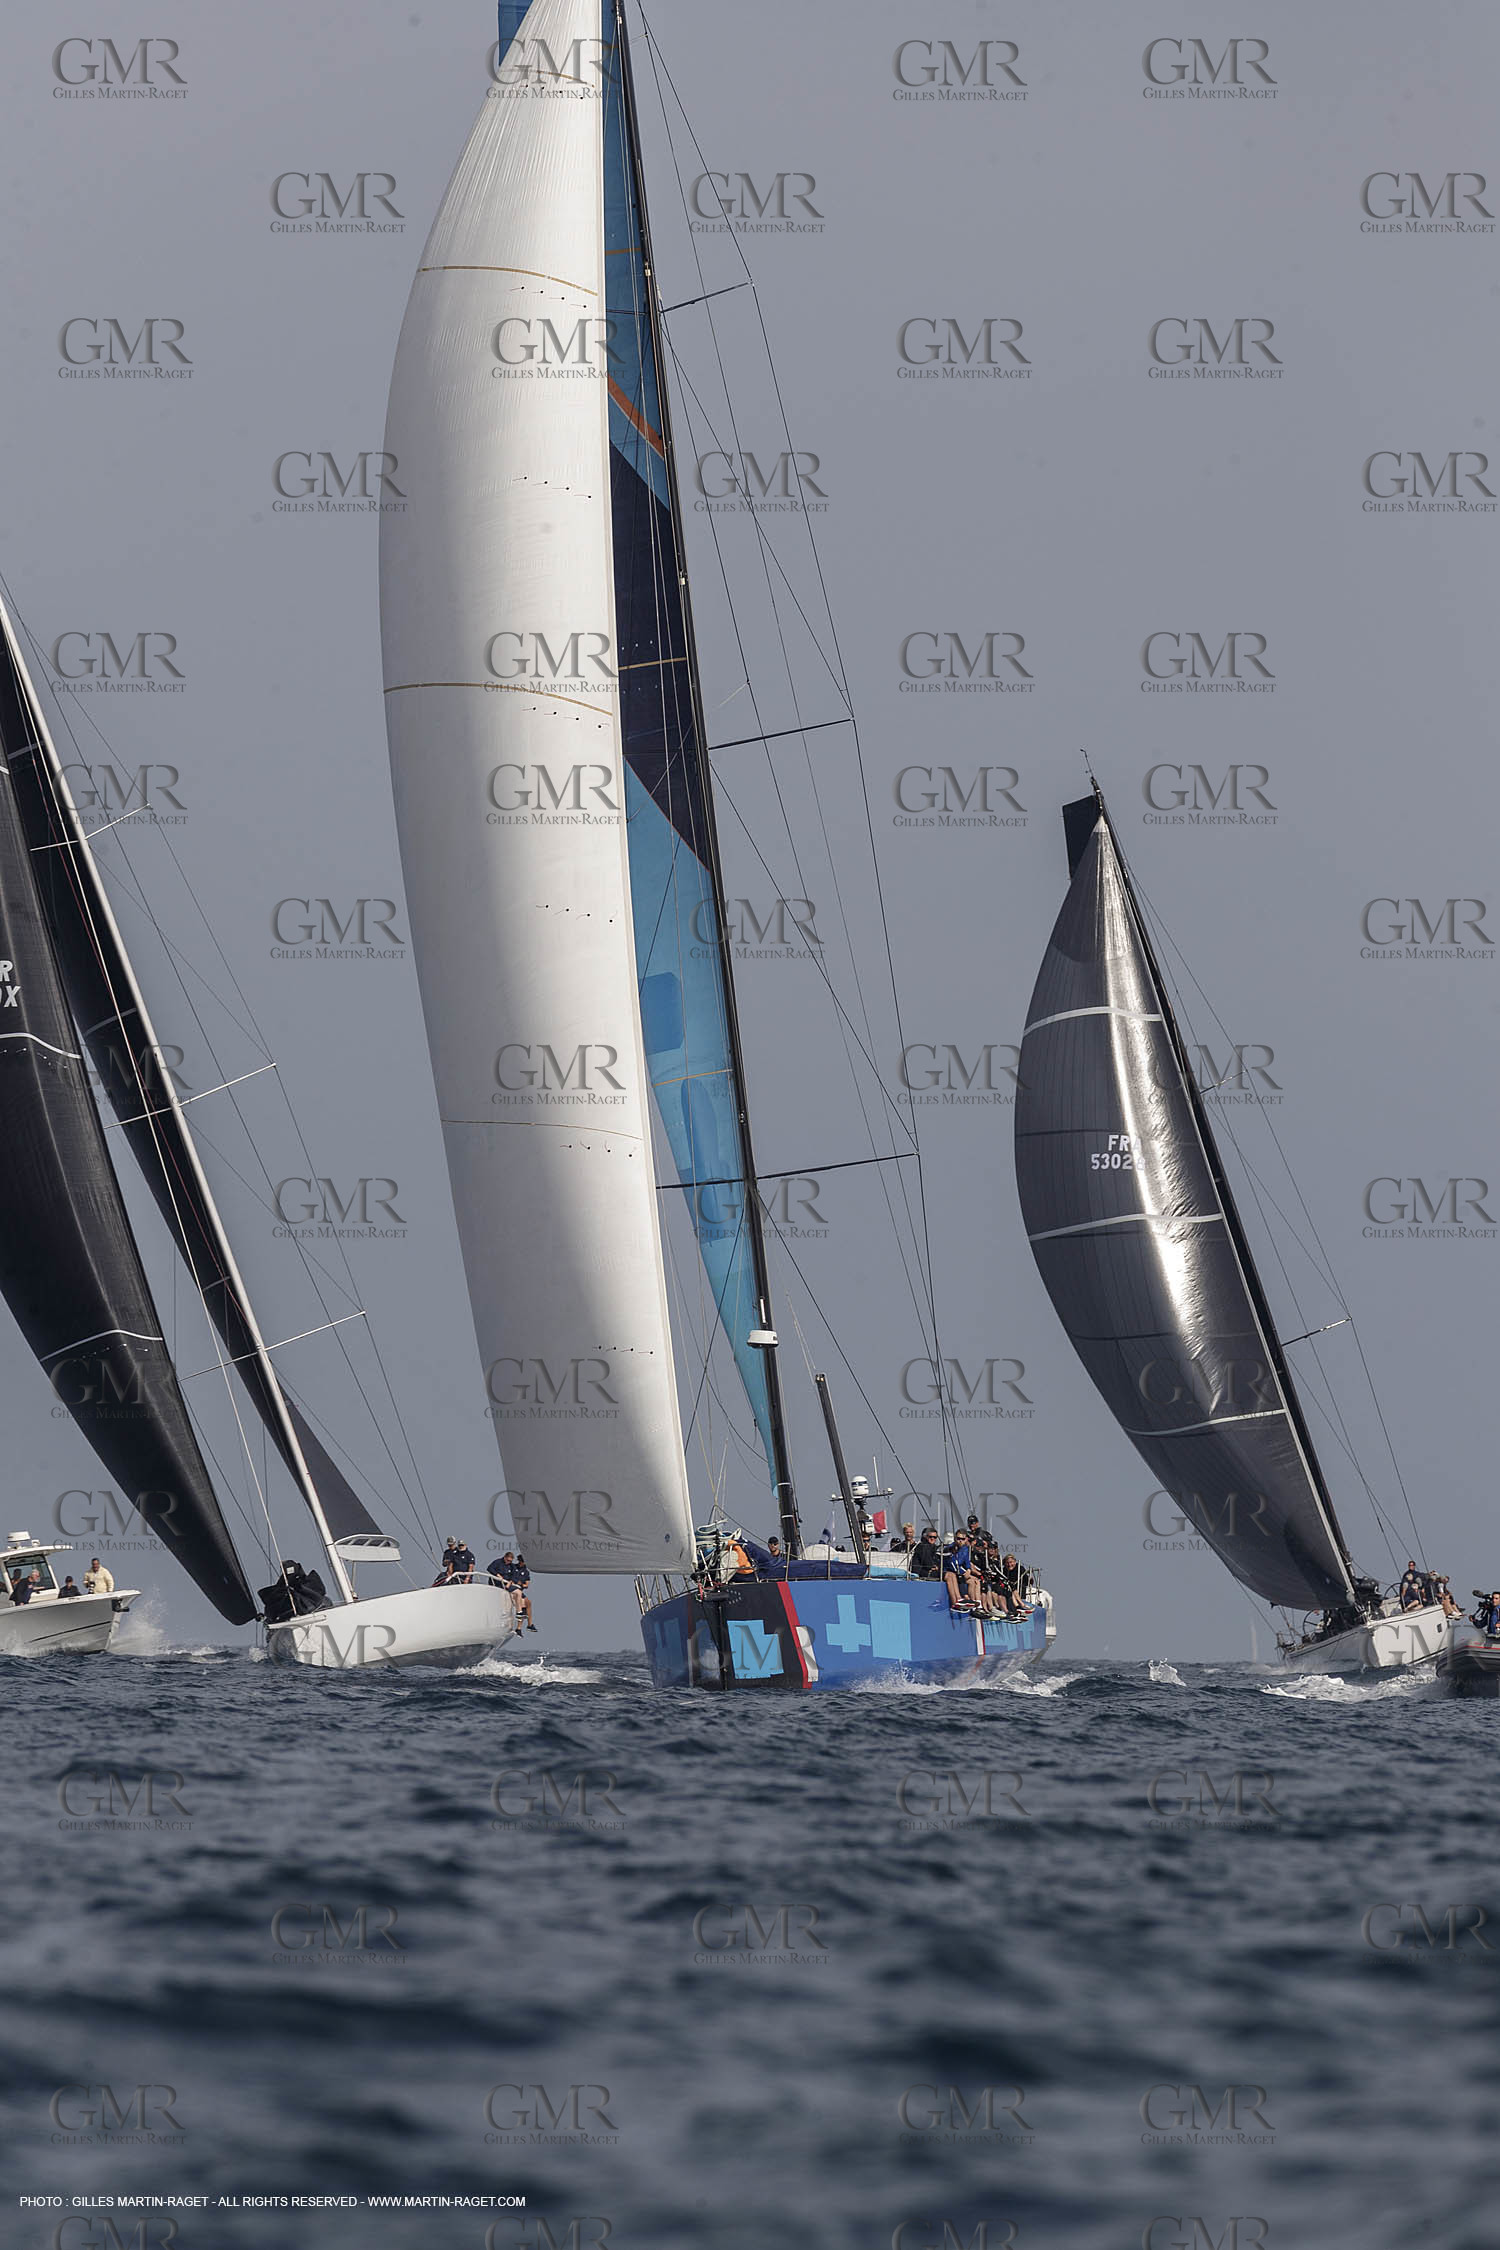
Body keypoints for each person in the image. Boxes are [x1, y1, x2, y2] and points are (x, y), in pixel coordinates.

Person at [942, 1532, 976, 1613]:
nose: (960, 1541)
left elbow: (967, 1562)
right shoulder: (951, 1548)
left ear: (965, 1540)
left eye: (962, 1539)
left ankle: (972, 1604)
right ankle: (957, 1601)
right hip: (948, 1571)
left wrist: (968, 1570)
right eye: (958, 1539)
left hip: (957, 1571)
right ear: (955, 1539)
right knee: (954, 1576)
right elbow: (950, 1562)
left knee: (974, 1581)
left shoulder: (965, 1549)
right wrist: (952, 1549)